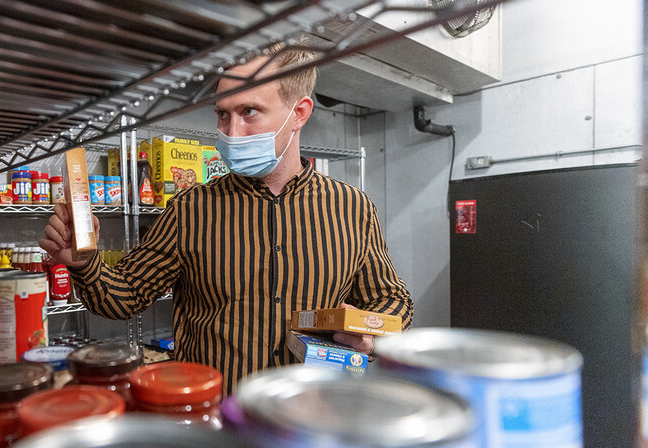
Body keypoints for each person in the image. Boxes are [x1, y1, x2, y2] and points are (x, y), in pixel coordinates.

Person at [39, 42, 413, 394]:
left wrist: (371, 333)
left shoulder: (353, 208)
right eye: (222, 114)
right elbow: (124, 297)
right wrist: (85, 264)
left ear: (299, 113)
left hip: (311, 414)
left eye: (249, 112)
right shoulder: (190, 209)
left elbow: (392, 299)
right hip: (216, 416)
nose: (231, 133)